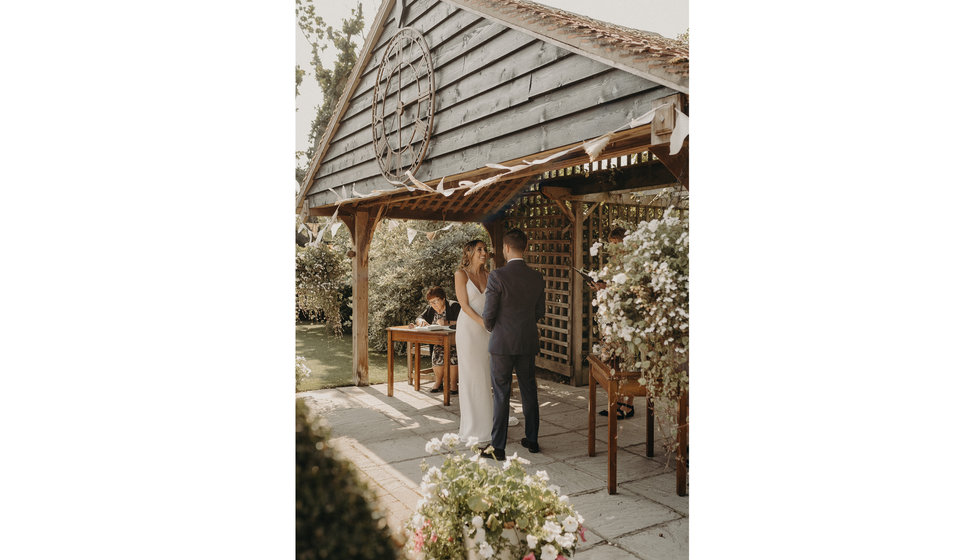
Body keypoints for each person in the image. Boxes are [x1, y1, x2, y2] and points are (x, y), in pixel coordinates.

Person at [482, 228, 546, 459]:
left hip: (502, 343)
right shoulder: (537, 277)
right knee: (529, 391)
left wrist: (492, 328)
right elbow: (540, 311)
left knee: (501, 393)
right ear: (525, 248)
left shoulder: (497, 276)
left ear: (506, 248)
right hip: (527, 340)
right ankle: (532, 440)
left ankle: (498, 447)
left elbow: (489, 314)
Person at [453, 240, 495, 446]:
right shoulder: (460, 275)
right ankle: (472, 426)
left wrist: (492, 324)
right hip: (469, 331)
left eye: (485, 249)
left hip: (486, 332)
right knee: (471, 377)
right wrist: (484, 323)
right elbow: (464, 305)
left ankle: (489, 423)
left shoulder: (489, 276)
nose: (484, 253)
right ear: (468, 252)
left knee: (485, 376)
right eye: (479, 249)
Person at [592, 226, 636, 419]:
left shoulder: (633, 263)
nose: (614, 247)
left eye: (617, 243)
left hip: (628, 319)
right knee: (614, 364)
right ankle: (616, 402)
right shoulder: (613, 264)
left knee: (628, 363)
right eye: (612, 244)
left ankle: (628, 405)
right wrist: (599, 287)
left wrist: (607, 287)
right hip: (612, 319)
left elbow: (631, 291)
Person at [414, 286, 460, 394]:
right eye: (431, 302)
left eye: (435, 302)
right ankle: (438, 382)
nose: (433, 305)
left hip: (455, 340)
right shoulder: (431, 309)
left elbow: (465, 321)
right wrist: (421, 321)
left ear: (443, 299)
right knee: (437, 352)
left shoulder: (454, 306)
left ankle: (453, 384)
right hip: (438, 342)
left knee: (452, 353)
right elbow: (419, 317)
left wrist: (447, 322)